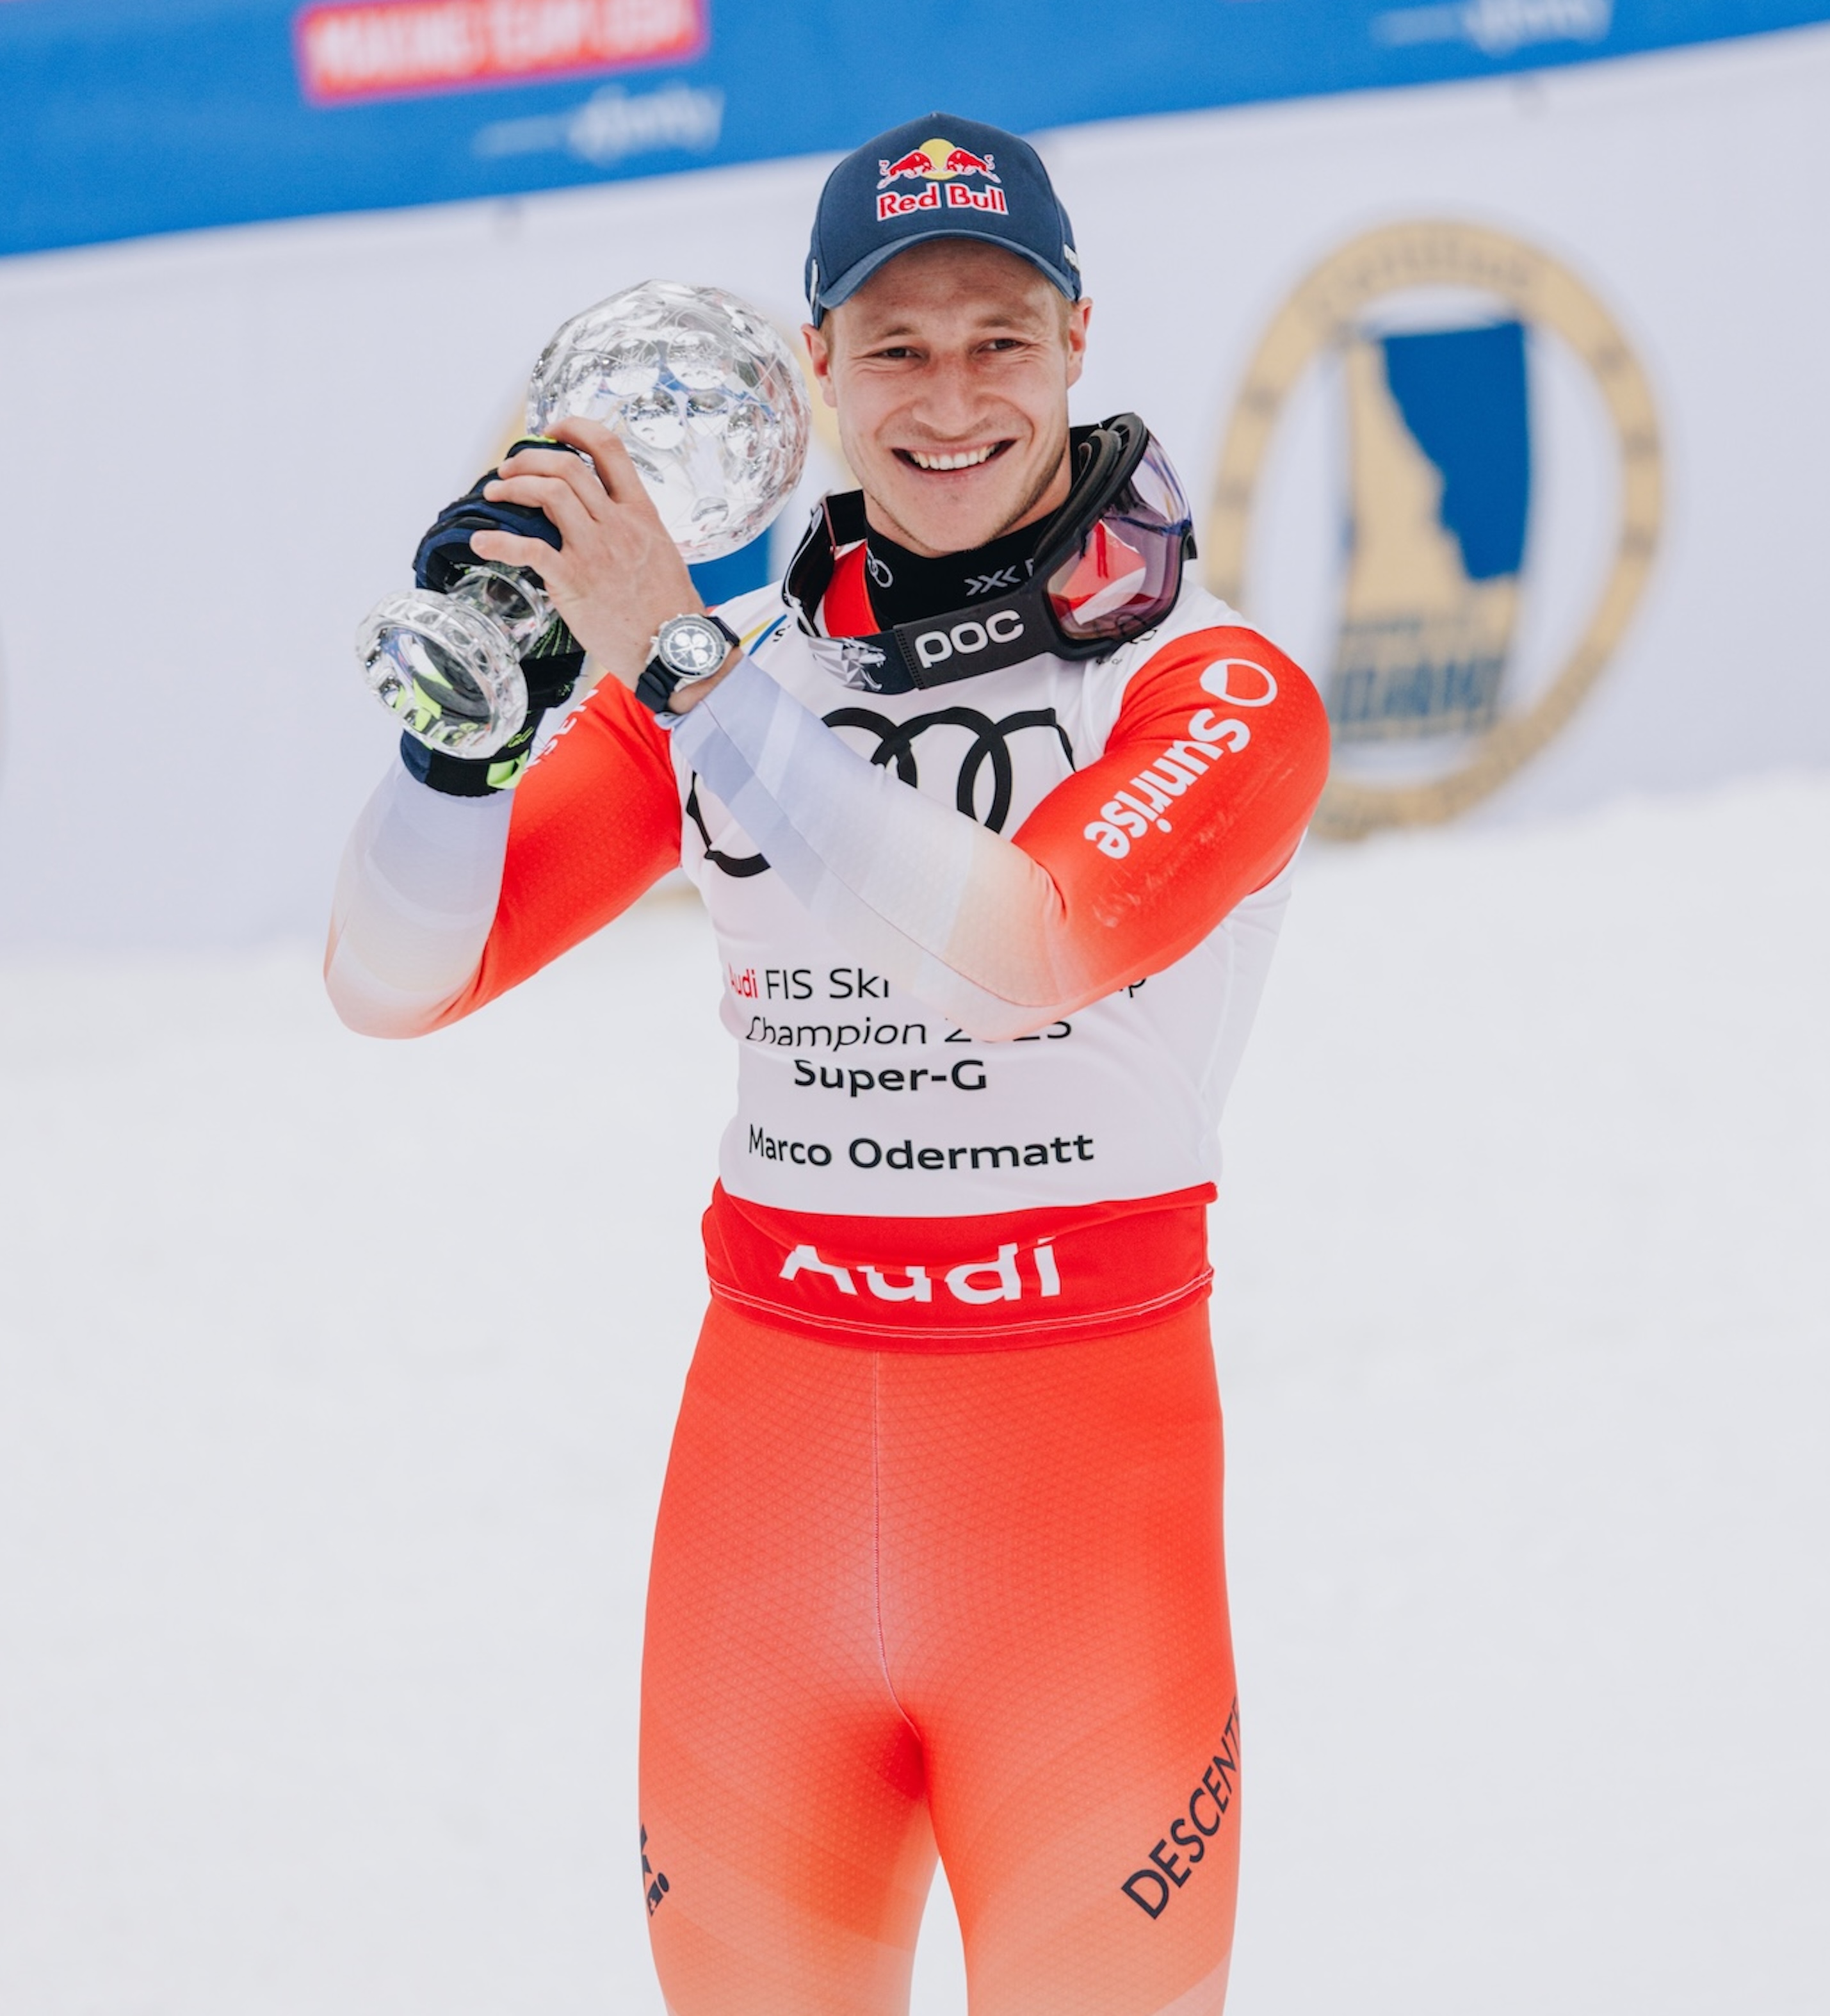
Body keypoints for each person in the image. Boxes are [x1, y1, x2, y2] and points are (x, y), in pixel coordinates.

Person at [327, 111, 1328, 2016]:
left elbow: (1025, 951)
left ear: (1079, 339)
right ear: (816, 368)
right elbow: (394, 980)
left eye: (999, 340)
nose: (949, 400)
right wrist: (461, 741)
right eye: (895, 346)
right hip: (766, 1508)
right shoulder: (739, 677)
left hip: (1078, 1536)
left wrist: (690, 674)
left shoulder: (1213, 686)